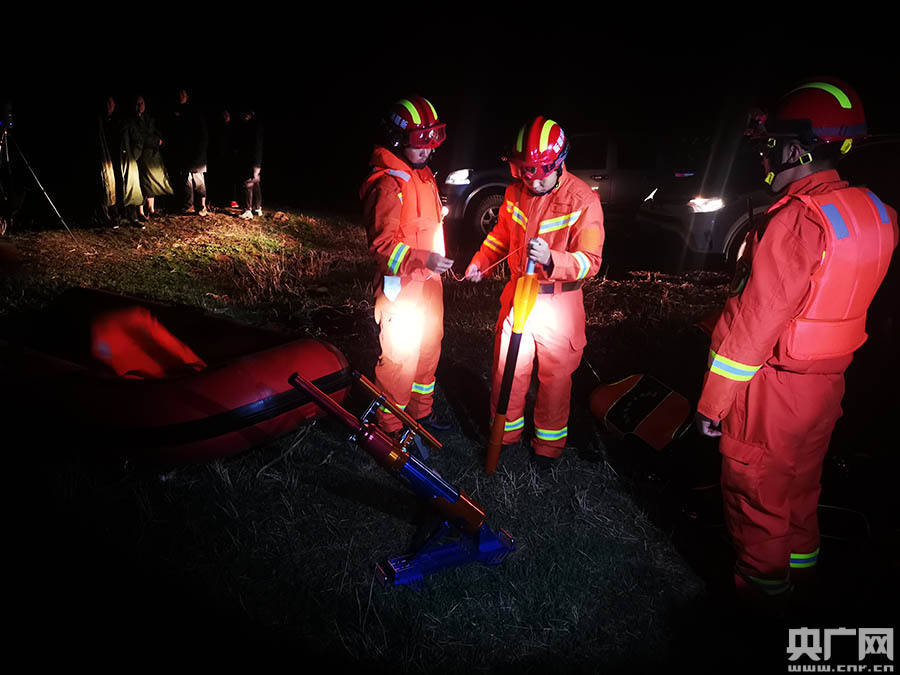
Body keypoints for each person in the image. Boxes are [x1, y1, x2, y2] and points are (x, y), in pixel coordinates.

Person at [694, 78, 898, 605]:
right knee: (801, 496)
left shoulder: (797, 221)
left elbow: (753, 324)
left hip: (774, 396)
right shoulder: (874, 212)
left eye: (771, 145)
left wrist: (714, 402)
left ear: (795, 146)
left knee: (757, 501)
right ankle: (804, 584)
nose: (766, 158)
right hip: (826, 391)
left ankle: (763, 609)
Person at [465, 117, 605, 467]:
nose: (533, 180)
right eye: (525, 171)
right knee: (506, 368)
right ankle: (505, 434)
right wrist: (480, 263)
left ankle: (547, 448)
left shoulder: (583, 199)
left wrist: (552, 259)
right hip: (518, 296)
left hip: (559, 303)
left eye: (541, 172)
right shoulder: (515, 193)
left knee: (555, 380)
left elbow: (591, 261)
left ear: (559, 163)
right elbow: (500, 237)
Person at [359, 95, 454, 438]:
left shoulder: (422, 174)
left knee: (428, 348)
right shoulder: (388, 183)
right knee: (399, 359)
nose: (428, 151)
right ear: (399, 141)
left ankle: (420, 415)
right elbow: (382, 246)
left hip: (428, 283)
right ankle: (388, 427)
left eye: (431, 143)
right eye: (420, 144)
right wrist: (421, 259)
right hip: (401, 287)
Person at [127, 95, 173, 221]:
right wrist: (155, 141)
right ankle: (140, 212)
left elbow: (154, 131)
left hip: (152, 155)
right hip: (141, 155)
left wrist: (160, 139)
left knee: (152, 182)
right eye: (137, 103)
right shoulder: (132, 120)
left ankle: (151, 209)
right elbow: (140, 138)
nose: (139, 106)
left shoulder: (148, 118)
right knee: (143, 182)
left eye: (141, 103)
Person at [167, 88, 209, 216]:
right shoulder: (176, 111)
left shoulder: (195, 112)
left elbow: (202, 135)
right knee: (186, 181)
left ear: (187, 96)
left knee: (199, 181)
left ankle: (201, 205)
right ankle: (187, 204)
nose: (181, 96)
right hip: (184, 154)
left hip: (196, 154)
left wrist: (199, 154)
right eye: (179, 94)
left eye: (183, 94)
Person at [233, 107, 263, 219]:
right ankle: (257, 208)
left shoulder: (252, 126)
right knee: (255, 183)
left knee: (247, 183)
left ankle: (247, 210)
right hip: (256, 161)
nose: (242, 117)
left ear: (249, 115)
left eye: (244, 114)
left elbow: (252, 146)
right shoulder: (256, 126)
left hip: (251, 161)